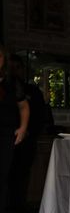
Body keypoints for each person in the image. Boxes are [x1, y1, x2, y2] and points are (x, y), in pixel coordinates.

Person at [8, 56, 49, 213]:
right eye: (11, 67)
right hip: (6, 139)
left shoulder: (33, 91)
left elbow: (40, 116)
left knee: (21, 176)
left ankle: (18, 207)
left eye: (17, 67)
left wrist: (28, 132)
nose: (14, 70)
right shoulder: (5, 89)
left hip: (26, 142)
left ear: (23, 70)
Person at [0, 45, 29, 213]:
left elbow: (24, 106)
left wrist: (23, 128)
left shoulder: (11, 82)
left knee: (2, 177)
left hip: (5, 135)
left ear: (4, 60)